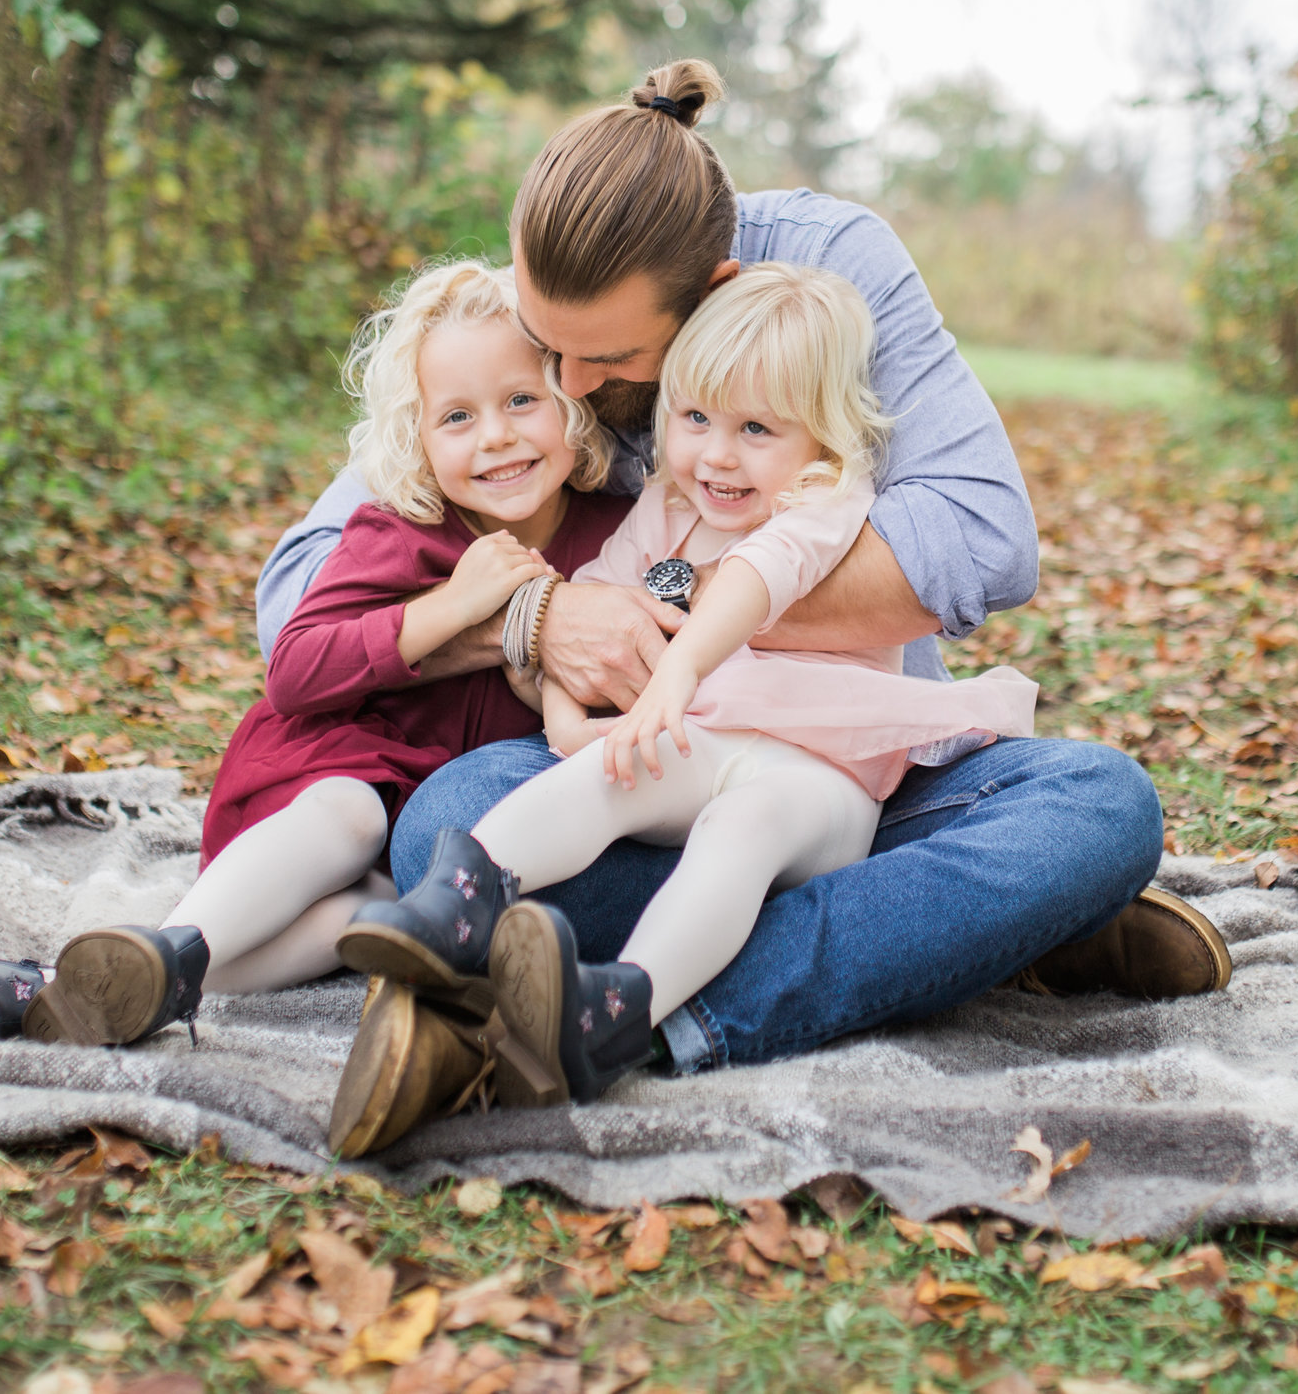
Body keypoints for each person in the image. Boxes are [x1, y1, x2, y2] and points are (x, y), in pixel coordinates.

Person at [284, 60, 1232, 1154]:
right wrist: (535, 626)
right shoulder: (527, 311)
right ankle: (963, 931)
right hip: (665, 758)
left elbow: (983, 540)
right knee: (444, 821)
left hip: (851, 763)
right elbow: (298, 596)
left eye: (610, 357)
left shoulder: (823, 286)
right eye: (552, 351)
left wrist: (672, 605)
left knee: (1100, 803)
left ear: (715, 292)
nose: (568, 387)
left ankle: (643, 1013)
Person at [0, 261, 631, 1047]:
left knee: (334, 925)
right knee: (351, 820)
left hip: (414, 838)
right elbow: (297, 669)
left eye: (520, 401)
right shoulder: (403, 527)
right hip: (323, 785)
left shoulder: (614, 532)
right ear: (417, 437)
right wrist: (452, 604)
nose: (497, 436)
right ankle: (100, 970)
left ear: (572, 401)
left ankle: (44, 990)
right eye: (457, 417)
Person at [338, 262, 1040, 1107]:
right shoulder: (671, 502)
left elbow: (754, 580)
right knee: (606, 772)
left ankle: (623, 1005)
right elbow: (585, 595)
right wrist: (564, 718)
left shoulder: (825, 498)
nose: (717, 453)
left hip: (819, 774)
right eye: (696, 417)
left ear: (817, 437)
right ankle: (463, 895)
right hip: (705, 736)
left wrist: (676, 667)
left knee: (740, 832)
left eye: (757, 429)